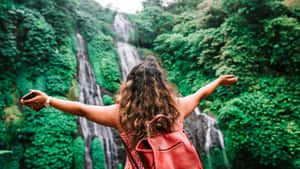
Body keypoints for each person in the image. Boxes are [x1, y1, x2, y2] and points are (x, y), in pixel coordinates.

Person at [20, 61, 238, 168]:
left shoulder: (121, 115)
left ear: (130, 87)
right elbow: (200, 94)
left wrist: (48, 100)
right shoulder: (177, 108)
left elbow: (81, 109)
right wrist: (218, 81)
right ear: (162, 86)